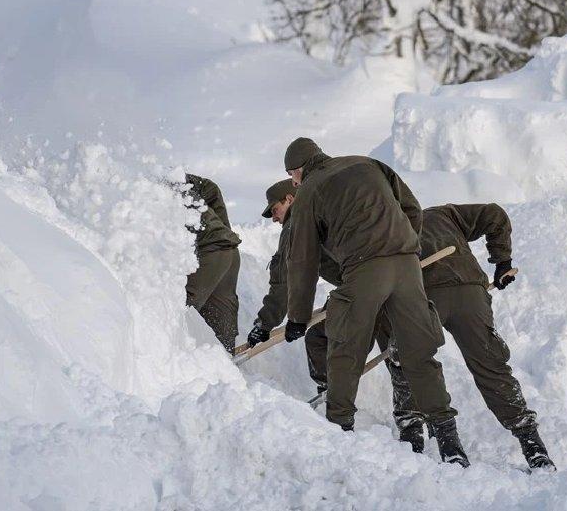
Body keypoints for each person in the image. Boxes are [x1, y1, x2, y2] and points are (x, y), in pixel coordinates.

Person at [281, 137, 470, 467]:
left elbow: (303, 258)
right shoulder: (368, 164)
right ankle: (450, 443)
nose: (293, 183)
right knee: (419, 351)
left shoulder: (309, 190)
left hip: (365, 267)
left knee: (346, 349)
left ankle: (340, 431)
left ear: (299, 169)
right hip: (407, 265)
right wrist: (403, 245)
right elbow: (412, 208)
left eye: (291, 176)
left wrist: (297, 316)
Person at [246, 179, 421, 449]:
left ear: (290, 199)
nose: (274, 218)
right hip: (392, 280)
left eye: (275, 210)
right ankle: (411, 426)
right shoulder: (327, 210)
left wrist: (265, 323)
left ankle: (336, 404)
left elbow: (285, 279)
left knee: (334, 341)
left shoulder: (297, 225)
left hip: (363, 290)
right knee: (395, 352)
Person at [404, 203, 556, 470]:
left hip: (425, 296)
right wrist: (502, 262)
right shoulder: (444, 214)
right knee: (491, 366)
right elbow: (494, 214)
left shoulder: (387, 225)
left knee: (413, 362)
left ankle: (435, 441)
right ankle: (533, 447)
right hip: (470, 293)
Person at [184, 173, 242, 352]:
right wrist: (222, 231)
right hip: (227, 248)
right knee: (220, 314)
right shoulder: (177, 179)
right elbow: (212, 189)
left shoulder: (146, 184)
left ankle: (169, 359)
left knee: (178, 311)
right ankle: (225, 359)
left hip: (209, 251)